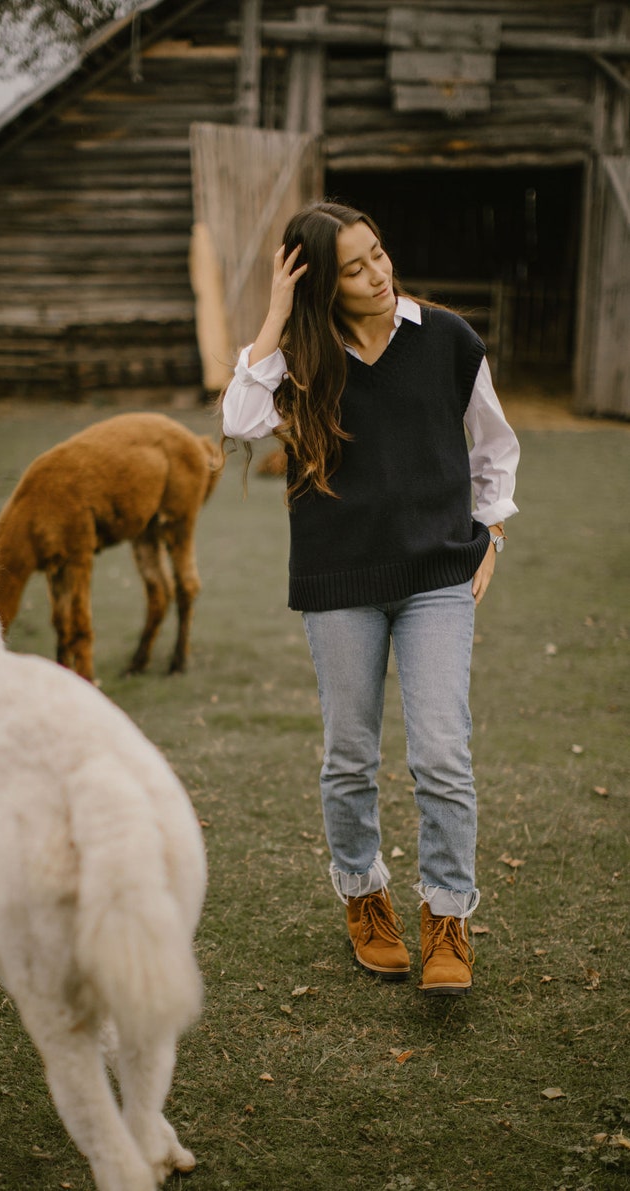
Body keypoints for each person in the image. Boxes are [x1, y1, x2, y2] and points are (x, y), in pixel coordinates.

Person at [221, 201, 519, 995]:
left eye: (378, 254)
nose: (377, 273)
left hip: (436, 581)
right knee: (349, 757)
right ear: (323, 283)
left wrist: (491, 530)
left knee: (441, 755)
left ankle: (448, 917)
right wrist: (278, 315)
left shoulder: (448, 337)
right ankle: (363, 897)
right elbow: (241, 420)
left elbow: (494, 444)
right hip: (340, 583)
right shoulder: (300, 356)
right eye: (353, 268)